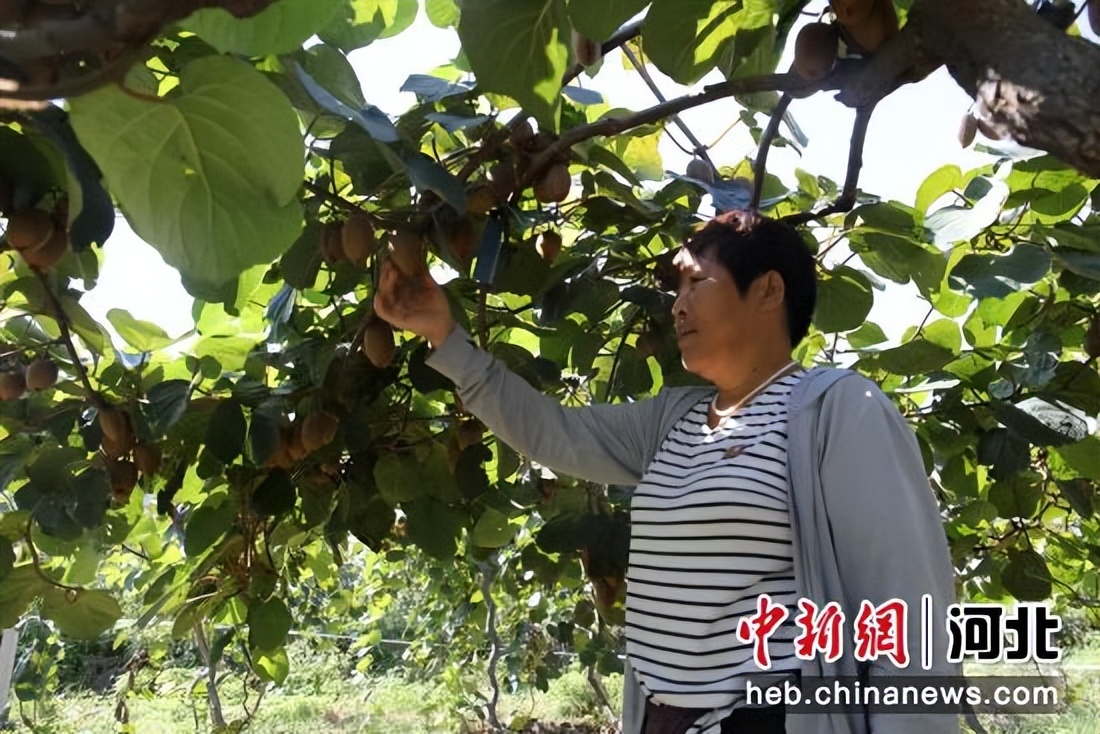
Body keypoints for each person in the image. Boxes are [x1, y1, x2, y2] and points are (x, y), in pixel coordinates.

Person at [374, 209, 961, 734]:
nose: (677, 304)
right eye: (676, 288)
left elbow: (911, 614)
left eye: (696, 283)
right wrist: (443, 337)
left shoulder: (836, 410)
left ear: (769, 290)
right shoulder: (673, 421)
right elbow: (553, 432)